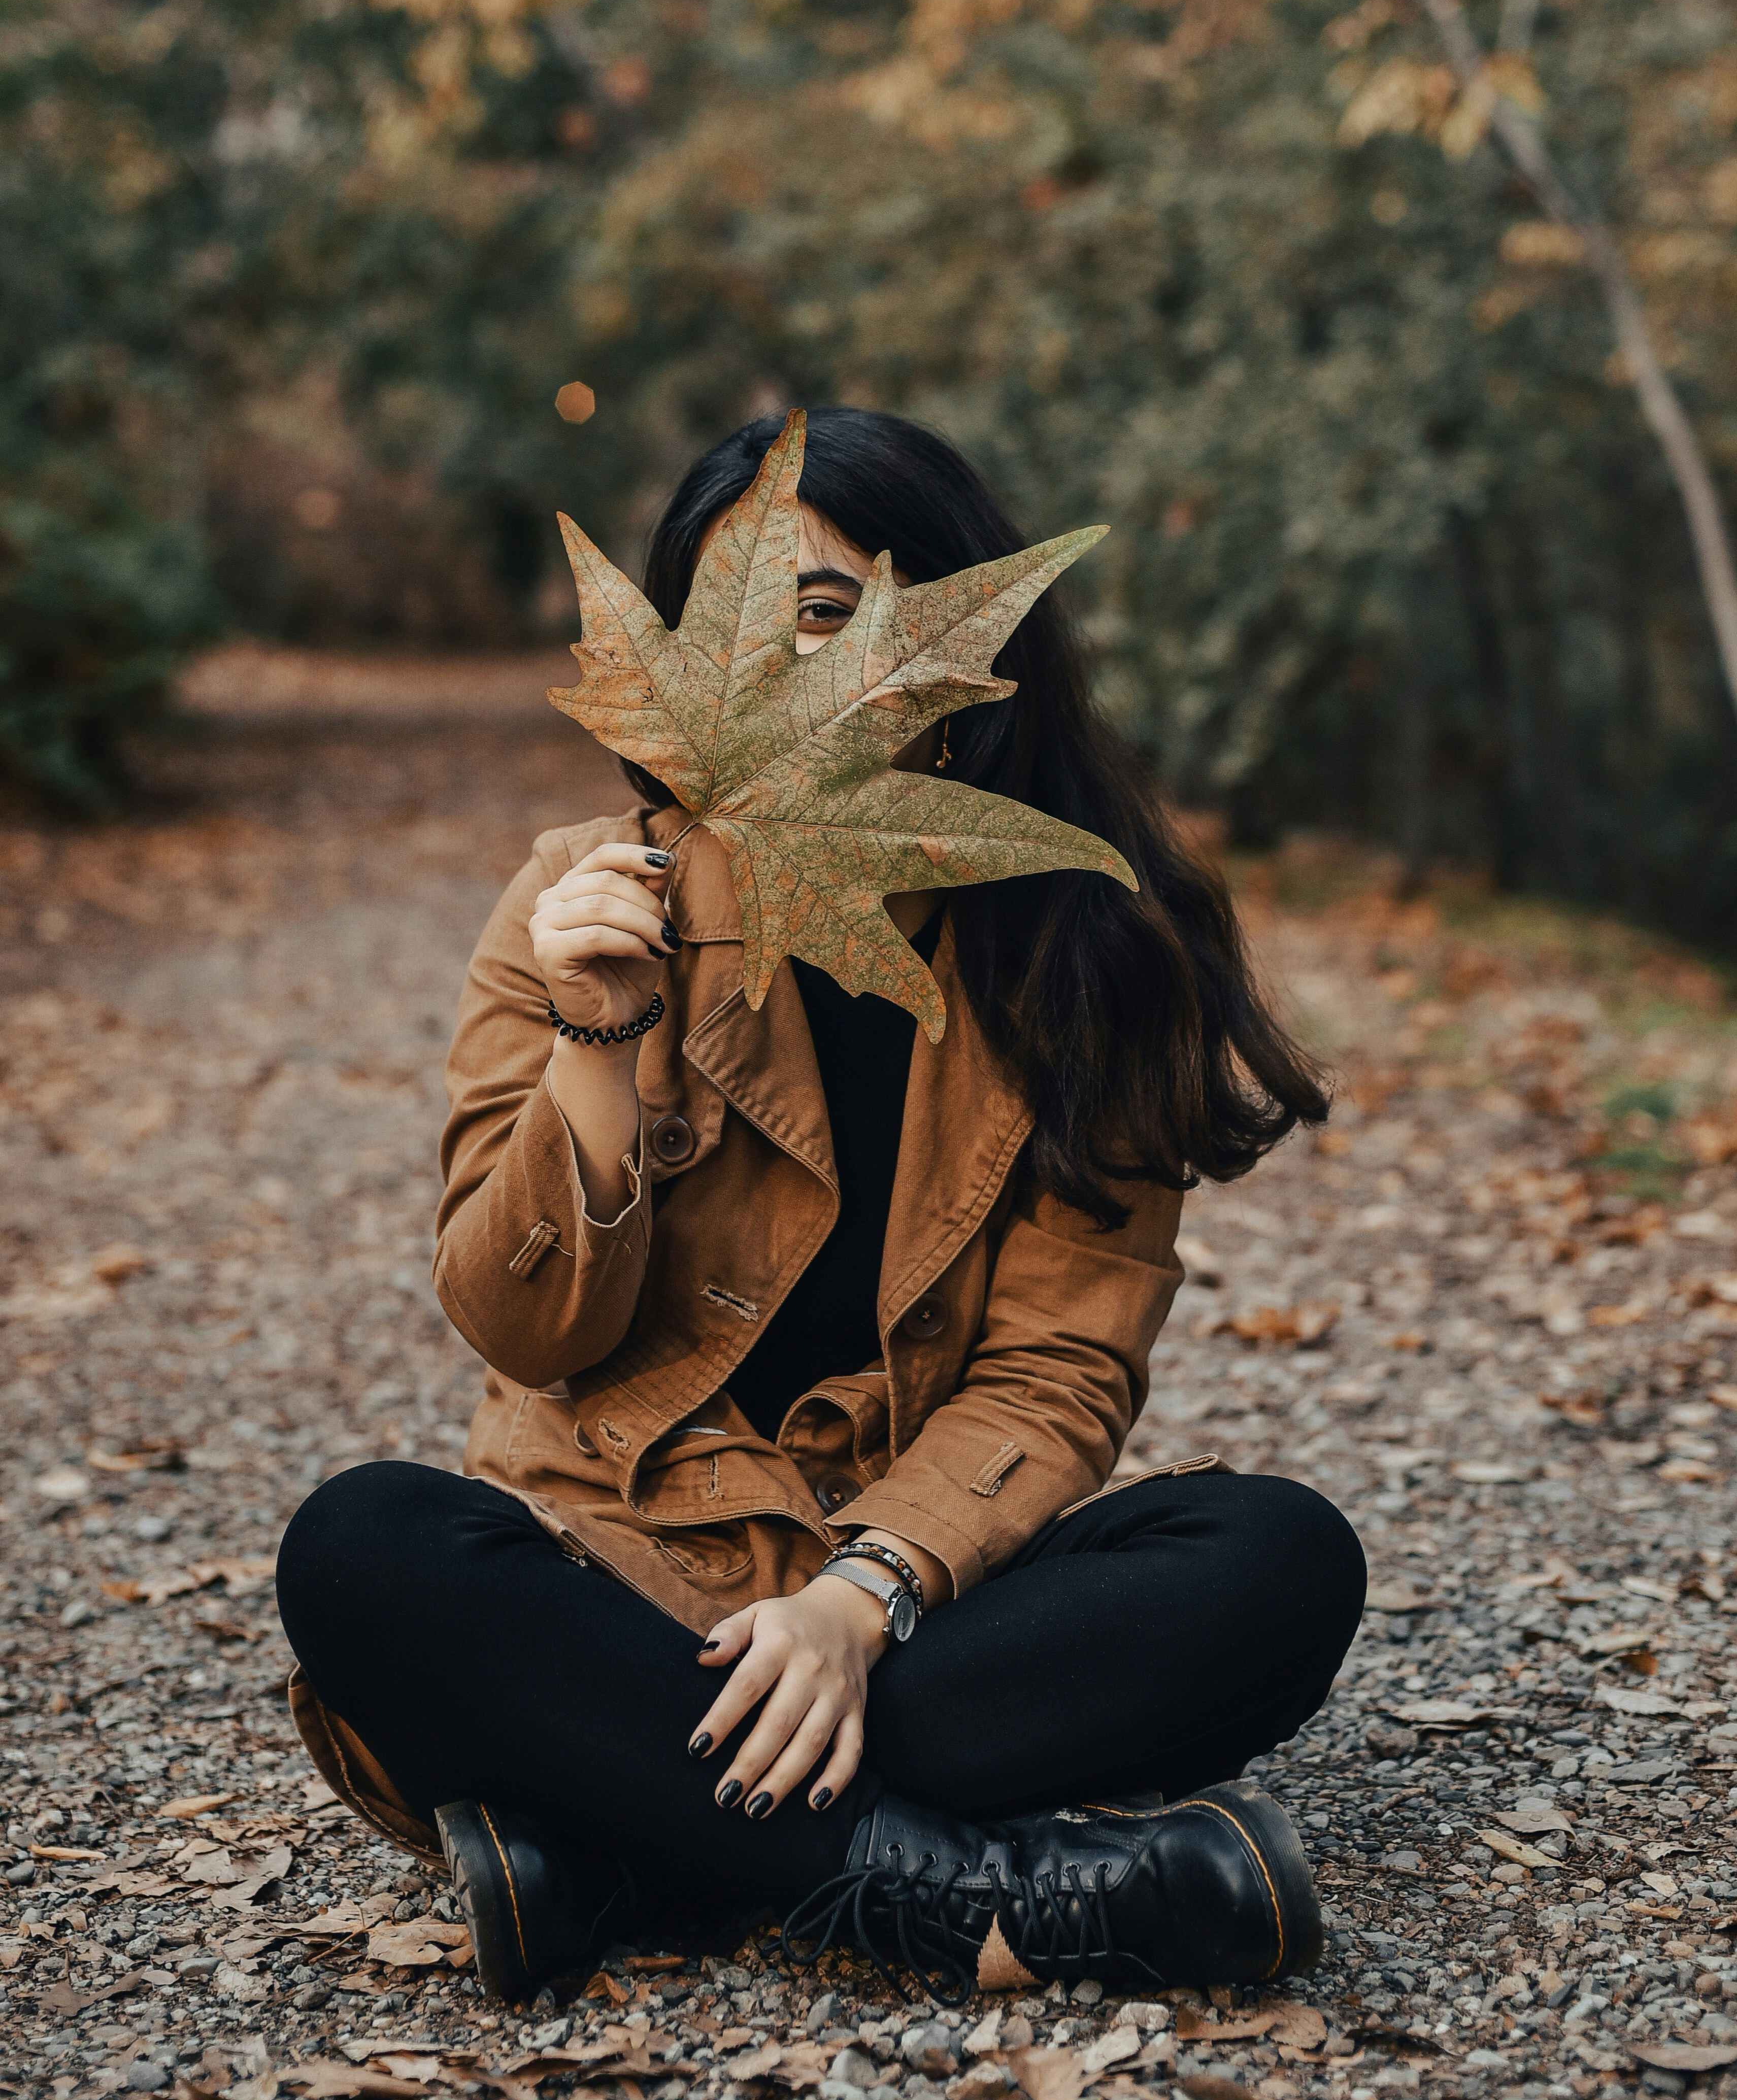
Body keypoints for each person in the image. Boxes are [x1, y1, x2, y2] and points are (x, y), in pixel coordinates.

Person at [277, 405, 1364, 2007]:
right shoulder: (584, 900)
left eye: (828, 613)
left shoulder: (1090, 953)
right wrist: (598, 1038)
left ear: (968, 646)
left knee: (1276, 1560)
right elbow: (521, 1325)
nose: (781, 677)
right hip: (618, 1574)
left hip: (904, 1601)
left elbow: (1060, 1371)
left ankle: (627, 1841)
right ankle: (964, 1893)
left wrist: (864, 1597)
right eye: (726, 636)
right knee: (366, 1547)